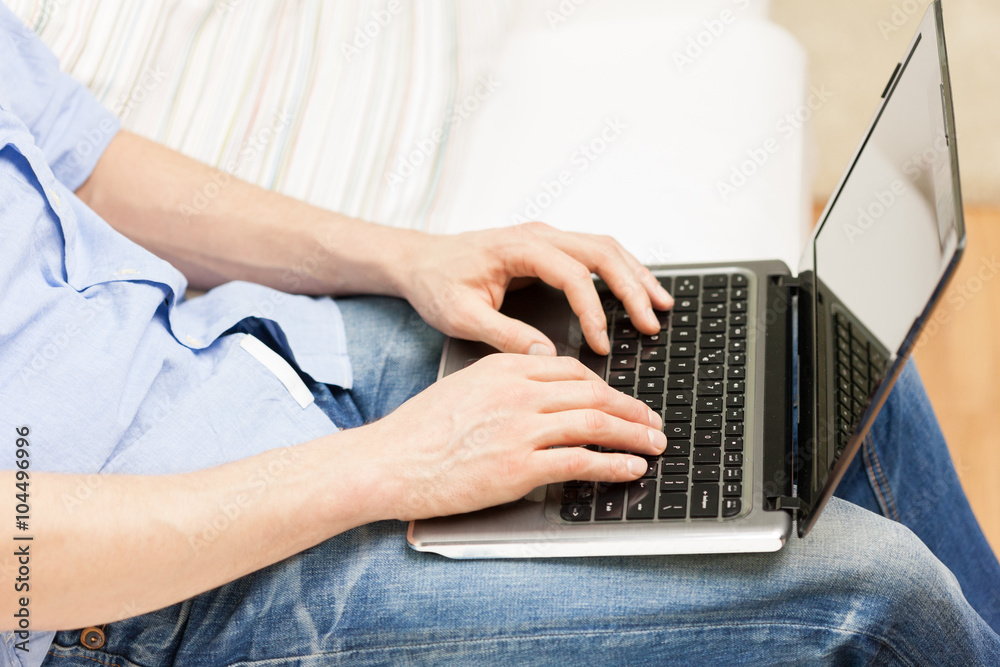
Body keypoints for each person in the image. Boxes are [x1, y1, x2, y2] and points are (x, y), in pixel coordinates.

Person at [1, 6, 998, 666]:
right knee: (873, 601)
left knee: (807, 360)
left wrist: (409, 257)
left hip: (256, 350)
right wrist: (389, 465)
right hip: (132, 601)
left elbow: (86, 164)